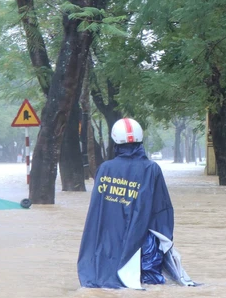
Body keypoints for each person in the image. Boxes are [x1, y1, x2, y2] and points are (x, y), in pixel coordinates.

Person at [77, 118, 197, 288]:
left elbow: (98, 211)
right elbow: (162, 209)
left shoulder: (105, 169)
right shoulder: (151, 168)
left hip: (108, 241)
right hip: (141, 241)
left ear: (115, 140)